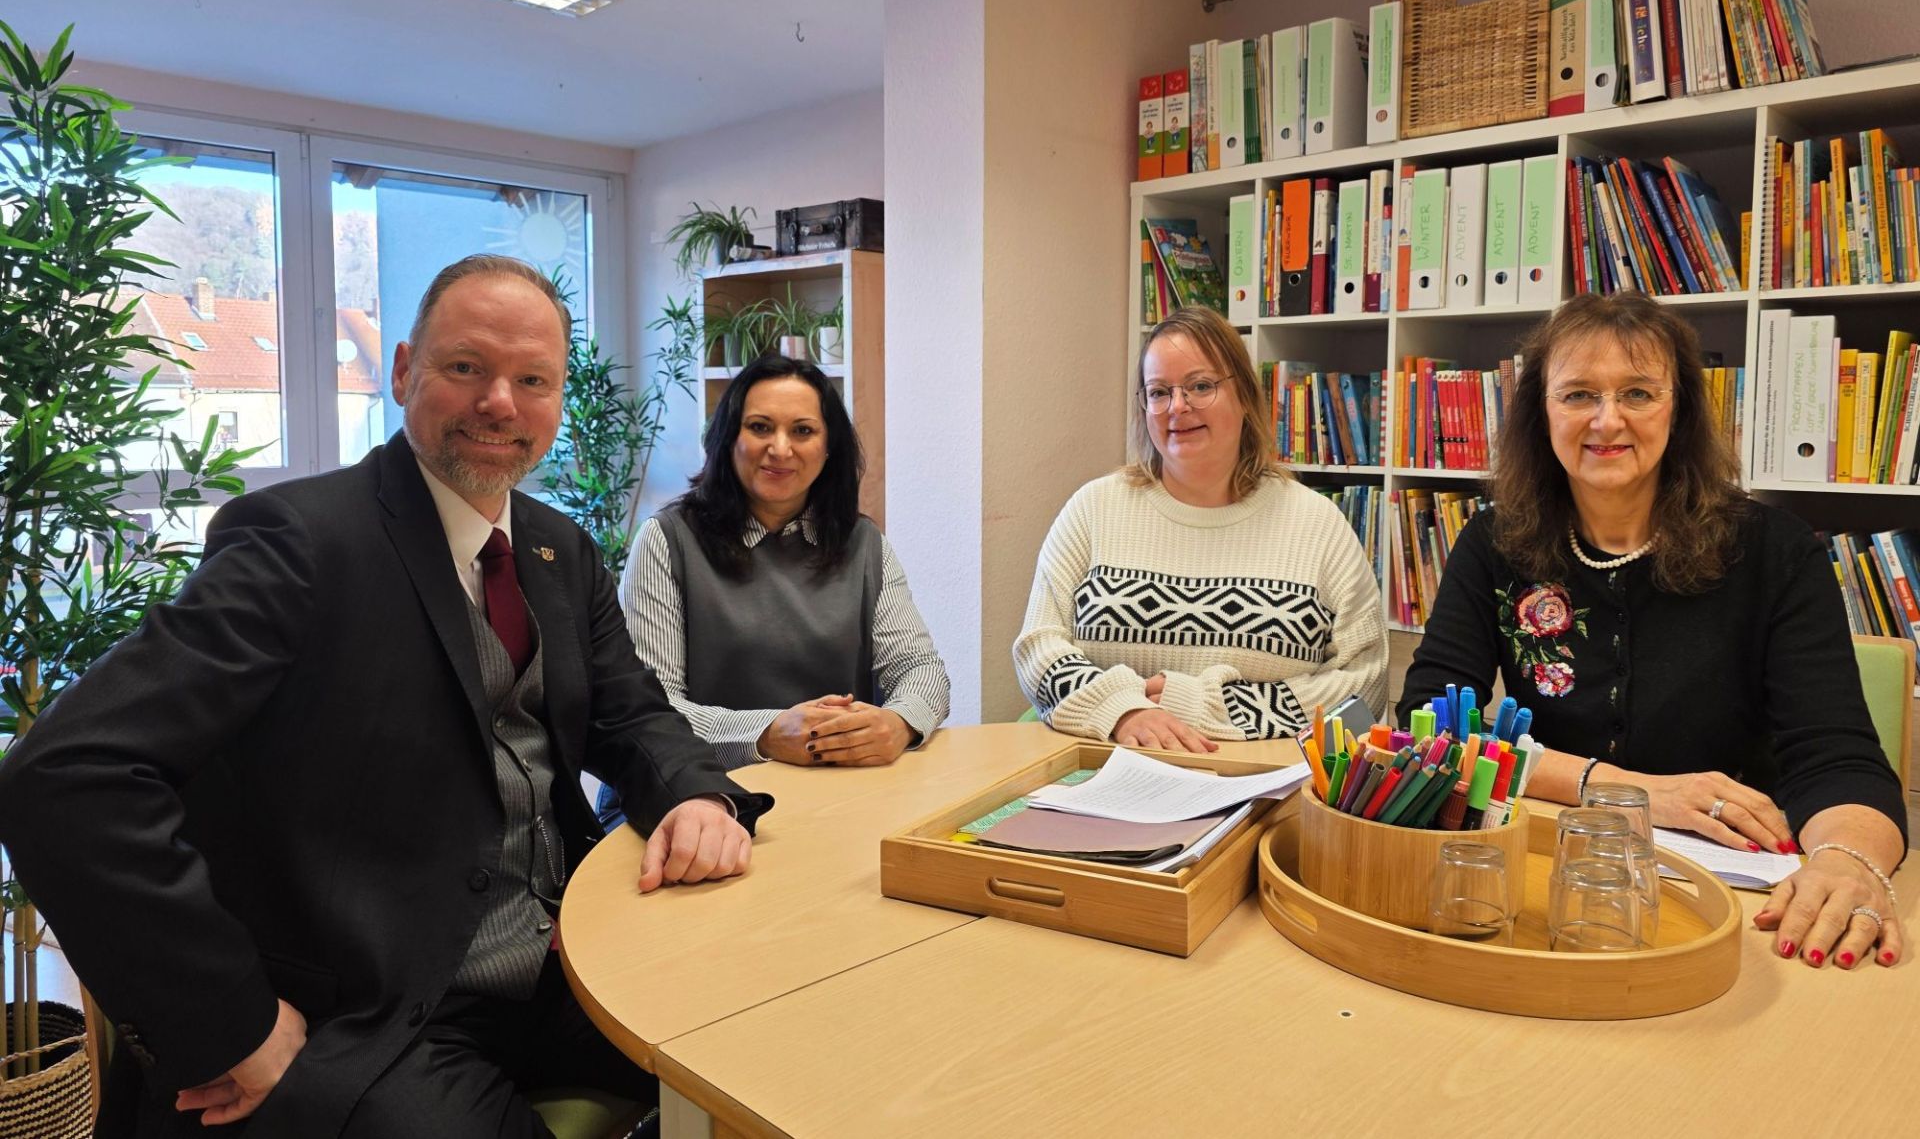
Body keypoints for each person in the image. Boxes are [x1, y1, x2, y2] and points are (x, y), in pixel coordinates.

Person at [0, 255, 772, 1137]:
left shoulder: (561, 551)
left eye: (534, 380)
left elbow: (631, 714)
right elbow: (66, 777)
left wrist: (697, 794)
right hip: (376, 1011)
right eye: (466, 368)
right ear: (403, 370)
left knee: (758, 1057)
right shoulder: (297, 544)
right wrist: (232, 1023)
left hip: (566, 959)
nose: (500, 404)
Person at [1400, 291, 1907, 972]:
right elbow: (1430, 728)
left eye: (1638, 392)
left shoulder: (1775, 552)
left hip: (1732, 895)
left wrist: (1846, 862)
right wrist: (1629, 789)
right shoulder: (1494, 542)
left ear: (1680, 410)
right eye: (1578, 394)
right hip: (1555, 871)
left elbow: (1837, 756)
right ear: (1540, 412)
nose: (1607, 421)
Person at [1014, 305, 1387, 751]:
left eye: (1201, 386)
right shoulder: (1093, 509)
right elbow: (1037, 647)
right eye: (1158, 392)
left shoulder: (1317, 524)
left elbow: (1366, 685)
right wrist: (1124, 709)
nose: (1178, 407)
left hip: (1256, 782)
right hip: (1108, 769)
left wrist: (1207, 707)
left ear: (1246, 397)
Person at [608, 354, 948, 790]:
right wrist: (768, 733)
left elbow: (920, 667)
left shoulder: (864, 544)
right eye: (760, 427)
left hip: (833, 791)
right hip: (696, 791)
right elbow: (654, 709)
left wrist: (900, 723)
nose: (781, 448)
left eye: (803, 431)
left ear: (829, 449)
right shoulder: (666, 540)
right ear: (729, 438)